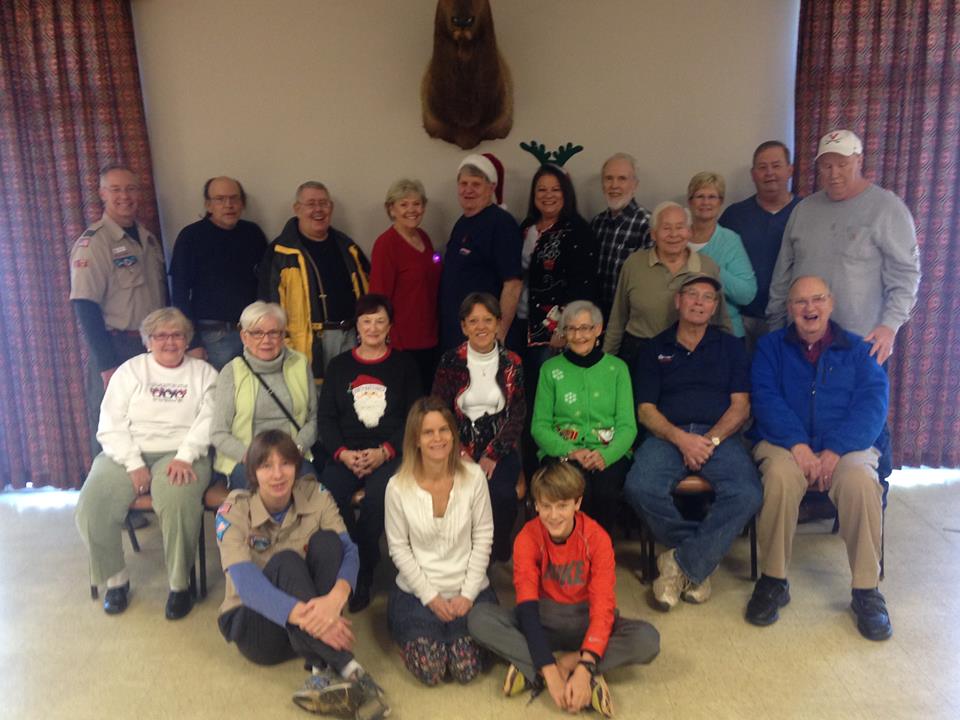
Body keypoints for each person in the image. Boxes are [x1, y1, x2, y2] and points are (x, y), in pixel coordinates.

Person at [747, 276, 892, 641]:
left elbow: (873, 406)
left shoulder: (860, 350)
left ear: (831, 303)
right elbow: (764, 398)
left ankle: (866, 591)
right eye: (800, 302)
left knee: (861, 481)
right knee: (779, 478)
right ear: (789, 308)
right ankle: (773, 580)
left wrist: (836, 449)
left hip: (846, 446)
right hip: (783, 442)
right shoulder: (770, 347)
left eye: (817, 299)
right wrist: (797, 444)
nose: (809, 308)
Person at [215, 429, 389, 719]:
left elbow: (349, 551)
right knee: (287, 562)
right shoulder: (233, 509)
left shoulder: (315, 494)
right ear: (252, 473)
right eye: (266, 466)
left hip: (305, 628)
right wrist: (317, 621)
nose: (278, 474)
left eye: (285, 463)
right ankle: (349, 668)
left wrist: (335, 599)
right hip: (257, 628)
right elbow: (246, 583)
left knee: (329, 542)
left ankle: (321, 670)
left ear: (297, 466)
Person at [468, 462, 660, 717]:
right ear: (536, 505)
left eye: (562, 506)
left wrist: (583, 666)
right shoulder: (527, 537)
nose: (554, 515)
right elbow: (527, 608)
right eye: (546, 506)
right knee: (478, 618)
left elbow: (603, 606)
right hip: (542, 619)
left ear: (577, 503)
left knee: (647, 639)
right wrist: (550, 670)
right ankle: (558, 670)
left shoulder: (597, 538)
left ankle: (548, 666)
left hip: (585, 619)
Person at [624, 275, 761, 610]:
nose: (699, 302)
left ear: (714, 307)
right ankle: (698, 562)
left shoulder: (731, 347)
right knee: (639, 486)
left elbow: (741, 406)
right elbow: (645, 411)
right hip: (668, 435)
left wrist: (709, 441)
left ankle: (678, 564)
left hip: (719, 437)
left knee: (747, 493)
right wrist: (682, 440)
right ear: (678, 301)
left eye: (707, 297)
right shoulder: (654, 347)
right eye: (692, 295)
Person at [75, 307, 216, 620]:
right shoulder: (130, 371)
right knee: (92, 504)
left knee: (178, 499)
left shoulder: (204, 374)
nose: (169, 342)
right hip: (126, 452)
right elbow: (110, 424)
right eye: (160, 336)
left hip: (182, 454)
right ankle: (116, 581)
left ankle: (180, 586)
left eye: (177, 335)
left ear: (187, 339)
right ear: (147, 341)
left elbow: (210, 421)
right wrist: (133, 463)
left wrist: (185, 455)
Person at [766, 129, 921, 364]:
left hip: (861, 342)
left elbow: (906, 275)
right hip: (801, 341)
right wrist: (776, 329)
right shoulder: (804, 210)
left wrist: (890, 326)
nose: (834, 174)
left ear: (859, 160)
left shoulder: (887, 208)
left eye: (842, 164)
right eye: (826, 166)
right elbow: (782, 273)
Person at [317, 294, 421, 612]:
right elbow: (326, 419)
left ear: (390, 326)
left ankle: (363, 568)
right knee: (330, 494)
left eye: (380, 321)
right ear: (357, 326)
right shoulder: (339, 366)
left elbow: (414, 417)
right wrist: (342, 454)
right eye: (366, 321)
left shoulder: (405, 366)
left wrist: (385, 451)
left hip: (390, 453)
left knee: (380, 496)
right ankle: (352, 559)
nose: (373, 328)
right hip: (346, 453)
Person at [384, 397, 497, 686]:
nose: (438, 438)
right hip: (418, 593)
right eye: (428, 432)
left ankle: (453, 637)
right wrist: (431, 598)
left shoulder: (474, 477)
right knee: (431, 670)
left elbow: (483, 536)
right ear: (416, 440)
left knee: (465, 669)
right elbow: (399, 549)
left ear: (453, 434)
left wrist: (468, 594)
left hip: (468, 591)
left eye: (444, 430)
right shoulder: (397, 487)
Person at [70, 165, 168, 457]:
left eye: (130, 189)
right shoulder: (94, 242)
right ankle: (107, 484)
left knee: (151, 425)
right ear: (102, 194)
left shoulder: (147, 238)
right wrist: (106, 364)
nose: (124, 196)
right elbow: (85, 305)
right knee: (111, 429)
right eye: (116, 189)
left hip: (152, 349)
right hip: (116, 348)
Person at [432, 293, 525, 563]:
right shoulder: (451, 361)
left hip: (500, 447)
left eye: (487, 320)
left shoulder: (513, 362)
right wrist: (460, 452)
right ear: (464, 326)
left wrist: (492, 454)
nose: (481, 327)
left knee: (501, 495)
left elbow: (517, 414)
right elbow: (439, 411)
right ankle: (457, 555)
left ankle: (494, 552)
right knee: (454, 495)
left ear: (498, 323)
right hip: (455, 447)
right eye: (473, 321)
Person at [531, 300, 636, 536]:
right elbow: (540, 426)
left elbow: (627, 426)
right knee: (571, 490)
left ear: (598, 329)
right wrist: (570, 451)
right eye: (572, 329)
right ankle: (568, 551)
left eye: (585, 328)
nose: (579, 336)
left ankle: (599, 552)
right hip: (563, 452)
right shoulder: (550, 370)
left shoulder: (617, 369)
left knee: (605, 492)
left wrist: (606, 455)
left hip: (608, 451)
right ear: (564, 332)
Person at [259, 181, 370, 384]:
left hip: (352, 336)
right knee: (313, 398)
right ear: (297, 209)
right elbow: (268, 304)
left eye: (323, 203)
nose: (318, 210)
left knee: (351, 393)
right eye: (311, 204)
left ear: (331, 207)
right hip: (307, 343)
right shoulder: (280, 253)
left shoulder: (348, 247)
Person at [603, 201, 730, 374]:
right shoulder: (634, 264)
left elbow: (721, 320)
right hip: (639, 351)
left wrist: (729, 362)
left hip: (691, 354)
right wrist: (606, 365)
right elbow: (618, 318)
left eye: (680, 227)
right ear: (653, 234)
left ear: (689, 232)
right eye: (666, 228)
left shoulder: (707, 267)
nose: (673, 234)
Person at [211, 301, 318, 489]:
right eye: (257, 333)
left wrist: (296, 449)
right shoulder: (231, 372)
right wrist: (252, 457)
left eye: (273, 333)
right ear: (244, 337)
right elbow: (219, 432)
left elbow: (314, 418)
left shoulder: (300, 363)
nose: (266, 340)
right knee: (264, 495)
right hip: (246, 459)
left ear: (283, 335)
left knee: (309, 494)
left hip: (293, 454)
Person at [169, 176, 268, 370]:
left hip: (253, 333)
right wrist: (193, 342)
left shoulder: (253, 234)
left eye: (234, 198)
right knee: (218, 388)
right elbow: (179, 294)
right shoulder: (190, 237)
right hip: (213, 336)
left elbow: (266, 283)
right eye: (220, 199)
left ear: (242, 203)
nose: (228, 205)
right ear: (208, 205)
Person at [719, 141, 802, 350]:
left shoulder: (806, 212)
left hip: (790, 320)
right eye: (762, 167)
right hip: (741, 320)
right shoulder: (734, 215)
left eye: (776, 166)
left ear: (790, 170)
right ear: (753, 174)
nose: (769, 173)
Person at [518, 163, 597, 378]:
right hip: (522, 322)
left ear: (566, 193)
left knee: (550, 386)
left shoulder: (578, 231)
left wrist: (563, 328)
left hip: (553, 332)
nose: (548, 195)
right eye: (542, 189)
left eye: (555, 189)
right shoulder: (526, 227)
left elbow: (583, 285)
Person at [438, 153, 522, 352]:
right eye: (463, 183)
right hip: (458, 334)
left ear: (491, 188)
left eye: (476, 184)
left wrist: (499, 334)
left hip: (485, 338)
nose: (468, 190)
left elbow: (513, 285)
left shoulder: (501, 224)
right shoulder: (462, 223)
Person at [369, 178, 442, 391]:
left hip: (431, 339)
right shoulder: (386, 245)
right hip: (402, 344)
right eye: (403, 204)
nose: (412, 210)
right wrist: (390, 342)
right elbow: (379, 300)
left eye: (417, 204)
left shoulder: (424, 238)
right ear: (391, 209)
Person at [687, 171, 757, 338]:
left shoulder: (730, 240)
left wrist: (714, 270)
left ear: (721, 202)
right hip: (682, 331)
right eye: (700, 196)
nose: (706, 202)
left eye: (712, 197)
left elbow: (747, 294)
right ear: (690, 201)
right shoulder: (677, 237)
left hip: (725, 333)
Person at [590, 153, 653, 323]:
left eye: (622, 179)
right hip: (596, 319)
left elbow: (648, 284)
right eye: (608, 178)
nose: (614, 185)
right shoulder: (596, 223)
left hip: (630, 321)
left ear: (635, 185)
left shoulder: (648, 225)